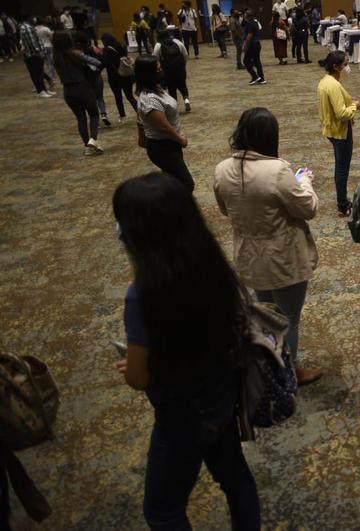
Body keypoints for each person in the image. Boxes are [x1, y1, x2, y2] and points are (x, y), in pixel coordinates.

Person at [113, 173, 261, 530]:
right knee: (236, 480)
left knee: (162, 510)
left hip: (180, 415)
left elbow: (138, 377)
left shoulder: (142, 294)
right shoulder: (211, 264)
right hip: (221, 396)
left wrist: (130, 367)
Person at [213, 108, 324, 385]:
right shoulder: (276, 170)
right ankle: (290, 372)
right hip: (283, 255)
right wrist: (305, 182)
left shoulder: (222, 168)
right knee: (289, 318)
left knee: (265, 315)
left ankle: (271, 367)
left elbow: (225, 210)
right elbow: (307, 208)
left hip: (248, 252)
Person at [135, 55, 194, 191]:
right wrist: (180, 139)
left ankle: (169, 207)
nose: (162, 72)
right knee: (186, 184)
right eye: (158, 70)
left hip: (169, 144)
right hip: (162, 147)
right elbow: (163, 127)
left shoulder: (156, 89)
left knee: (172, 181)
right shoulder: (150, 99)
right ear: (148, 74)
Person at [317, 51, 360, 215]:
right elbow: (341, 113)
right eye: (345, 64)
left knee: (340, 166)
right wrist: (355, 106)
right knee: (342, 168)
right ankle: (342, 204)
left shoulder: (325, 81)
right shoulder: (333, 85)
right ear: (336, 66)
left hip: (330, 128)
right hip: (339, 131)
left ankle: (342, 201)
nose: (347, 68)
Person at [53, 31, 103, 155]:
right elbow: (97, 63)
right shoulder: (75, 54)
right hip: (82, 87)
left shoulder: (55, 57)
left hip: (68, 90)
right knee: (94, 115)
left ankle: (87, 145)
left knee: (80, 118)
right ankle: (93, 140)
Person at [73, 31, 111, 127]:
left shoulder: (73, 53)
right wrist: (98, 70)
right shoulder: (93, 49)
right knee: (100, 97)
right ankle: (103, 114)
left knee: (91, 100)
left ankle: (95, 119)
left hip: (84, 79)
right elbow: (102, 61)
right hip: (96, 76)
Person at [101, 33, 137, 123]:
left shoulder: (107, 50)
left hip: (114, 77)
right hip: (125, 75)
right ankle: (139, 112)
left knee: (118, 97)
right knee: (130, 96)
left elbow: (105, 63)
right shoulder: (121, 45)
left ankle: (122, 115)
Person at [154, 28, 192, 112]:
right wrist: (183, 65)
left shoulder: (158, 45)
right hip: (180, 68)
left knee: (172, 88)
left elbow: (155, 58)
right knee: (182, 85)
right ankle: (186, 100)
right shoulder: (177, 42)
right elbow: (185, 54)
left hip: (167, 70)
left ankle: (175, 107)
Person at [18, 16, 53, 98]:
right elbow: (33, 43)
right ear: (28, 18)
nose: (34, 20)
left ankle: (45, 90)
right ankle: (41, 91)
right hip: (34, 54)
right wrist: (39, 53)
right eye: (32, 18)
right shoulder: (27, 28)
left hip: (33, 54)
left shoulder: (27, 27)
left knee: (39, 73)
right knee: (38, 73)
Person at [242, 10, 266, 85]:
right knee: (257, 61)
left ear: (247, 16)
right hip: (257, 43)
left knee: (246, 61)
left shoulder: (249, 24)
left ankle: (255, 76)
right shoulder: (255, 22)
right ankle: (261, 78)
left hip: (252, 44)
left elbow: (249, 35)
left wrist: (245, 45)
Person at [36, 17, 56, 84]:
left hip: (39, 48)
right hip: (48, 46)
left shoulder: (34, 29)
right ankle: (52, 78)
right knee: (51, 63)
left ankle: (45, 78)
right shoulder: (46, 28)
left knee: (42, 64)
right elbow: (51, 37)